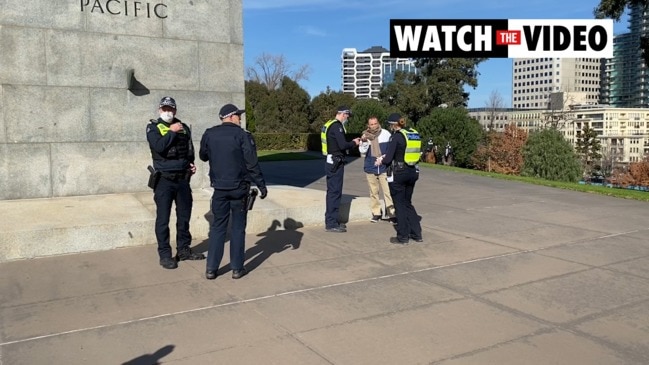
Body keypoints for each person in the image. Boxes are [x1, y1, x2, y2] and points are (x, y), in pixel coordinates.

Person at [199, 103, 267, 280]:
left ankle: (211, 269)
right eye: (238, 115)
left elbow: (203, 156)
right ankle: (237, 268)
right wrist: (261, 184)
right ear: (230, 116)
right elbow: (251, 162)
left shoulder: (209, 134)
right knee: (237, 228)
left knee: (218, 227)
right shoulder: (242, 136)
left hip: (220, 188)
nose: (240, 118)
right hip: (239, 189)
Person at [146, 96, 205, 269]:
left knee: (184, 217)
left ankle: (184, 250)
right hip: (164, 180)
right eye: (165, 109)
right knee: (163, 220)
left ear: (175, 111)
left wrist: (191, 164)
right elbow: (159, 147)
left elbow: (189, 150)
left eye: (171, 109)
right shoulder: (153, 127)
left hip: (182, 180)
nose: (168, 112)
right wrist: (171, 131)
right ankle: (165, 254)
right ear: (159, 110)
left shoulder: (184, 128)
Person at [375, 113, 423, 244]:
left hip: (399, 173)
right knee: (408, 203)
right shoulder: (413, 133)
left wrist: (381, 160)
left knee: (399, 204)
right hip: (413, 171)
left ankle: (402, 236)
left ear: (392, 125)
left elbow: (389, 158)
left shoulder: (396, 137)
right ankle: (416, 233)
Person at [321, 105, 361, 232]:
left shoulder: (329, 124)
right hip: (336, 162)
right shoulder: (337, 126)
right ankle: (331, 223)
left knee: (332, 192)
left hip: (331, 160)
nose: (347, 118)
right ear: (343, 114)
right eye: (347, 116)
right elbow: (343, 145)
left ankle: (332, 220)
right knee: (335, 192)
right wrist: (355, 142)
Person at [359, 116, 395, 223]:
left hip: (384, 167)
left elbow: (390, 150)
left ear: (378, 123)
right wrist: (364, 142)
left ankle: (391, 213)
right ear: (368, 126)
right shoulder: (365, 135)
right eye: (371, 124)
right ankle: (376, 213)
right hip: (371, 167)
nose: (374, 126)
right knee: (373, 192)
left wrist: (383, 158)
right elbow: (362, 151)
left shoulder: (386, 134)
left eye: (375, 123)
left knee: (388, 192)